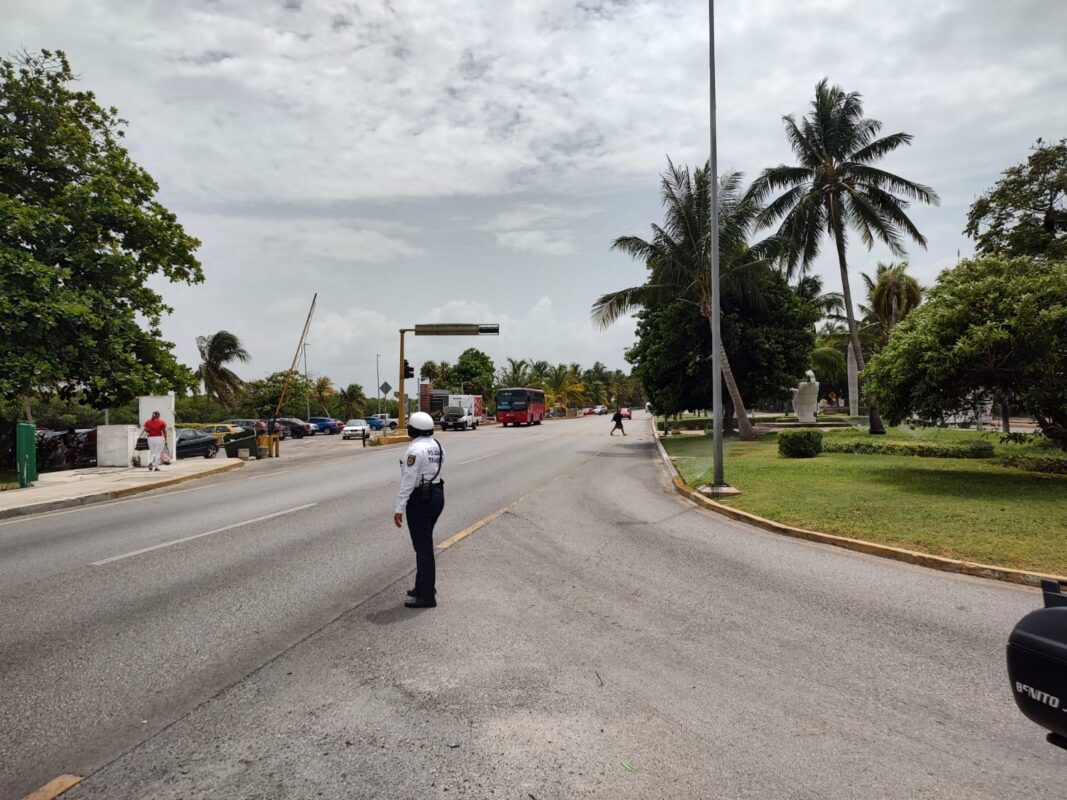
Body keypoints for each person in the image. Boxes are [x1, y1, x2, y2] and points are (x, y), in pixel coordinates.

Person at [393, 411, 444, 608]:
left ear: (413, 429)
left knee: (423, 549)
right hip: (437, 495)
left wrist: (399, 507)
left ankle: (427, 595)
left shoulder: (414, 451)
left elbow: (408, 481)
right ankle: (421, 586)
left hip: (420, 500)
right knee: (423, 544)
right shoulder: (437, 445)